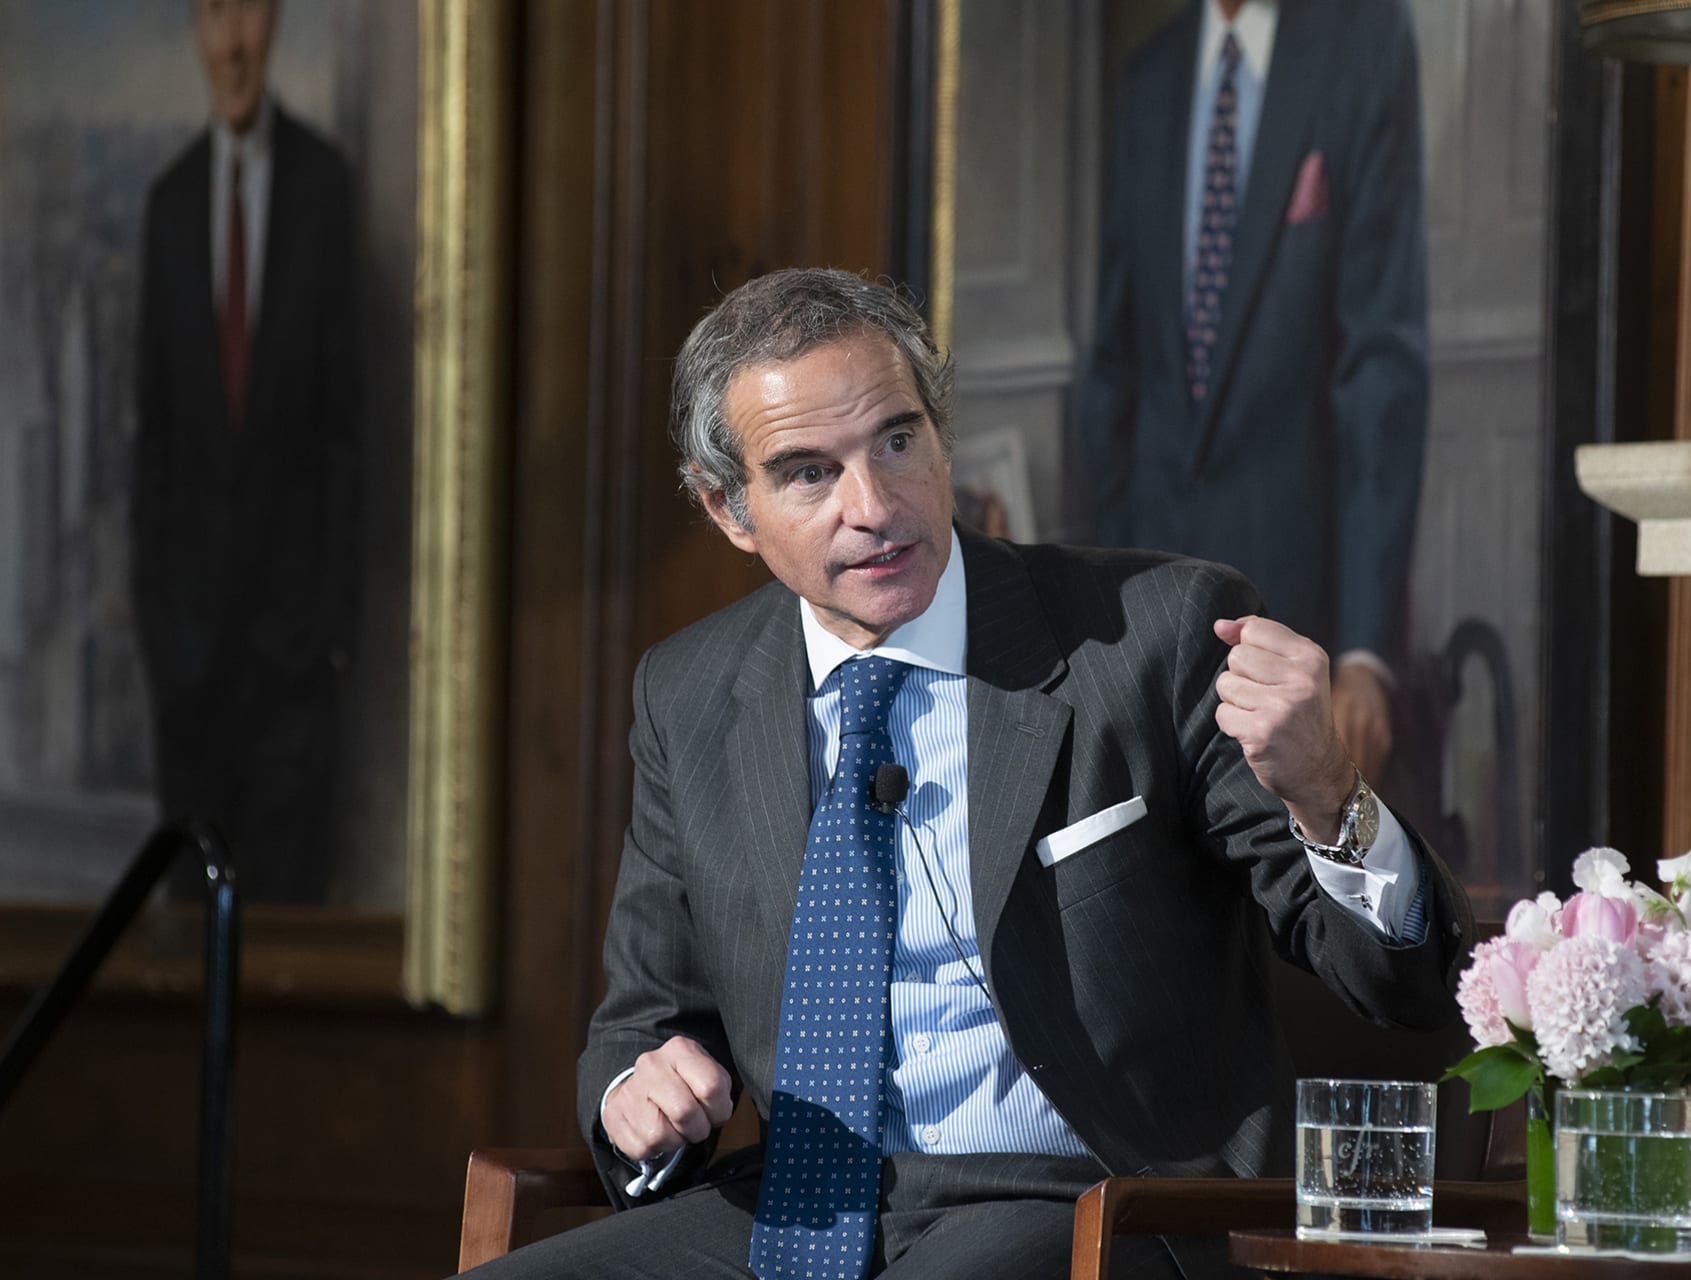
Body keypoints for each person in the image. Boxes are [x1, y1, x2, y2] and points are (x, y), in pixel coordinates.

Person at [467, 269, 1470, 1280]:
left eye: (897, 442)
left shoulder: (1152, 637)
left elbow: (1411, 983)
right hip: (802, 1200)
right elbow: (645, 1019)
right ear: (729, 507)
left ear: (942, 435)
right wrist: (637, 1098)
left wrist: (1325, 790)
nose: (874, 506)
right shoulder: (687, 693)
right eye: (810, 473)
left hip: (1090, 1201)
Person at [1072, 0, 1428, 781]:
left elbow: (1380, 368)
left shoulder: (1361, 46)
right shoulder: (1149, 79)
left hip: (1299, 611)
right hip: (1146, 616)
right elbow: (1115, 368)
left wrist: (1364, 651)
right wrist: (1090, 609)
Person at [133, 0, 359, 904]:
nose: (231, 43)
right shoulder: (169, 205)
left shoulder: (324, 188)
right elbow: (153, 437)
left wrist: (331, 632)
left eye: (249, 11)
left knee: (291, 924)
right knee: (188, 927)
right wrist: (158, 627)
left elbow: (346, 429)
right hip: (187, 663)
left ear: (276, 21)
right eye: (213, 13)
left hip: (295, 661)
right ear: (196, 28)